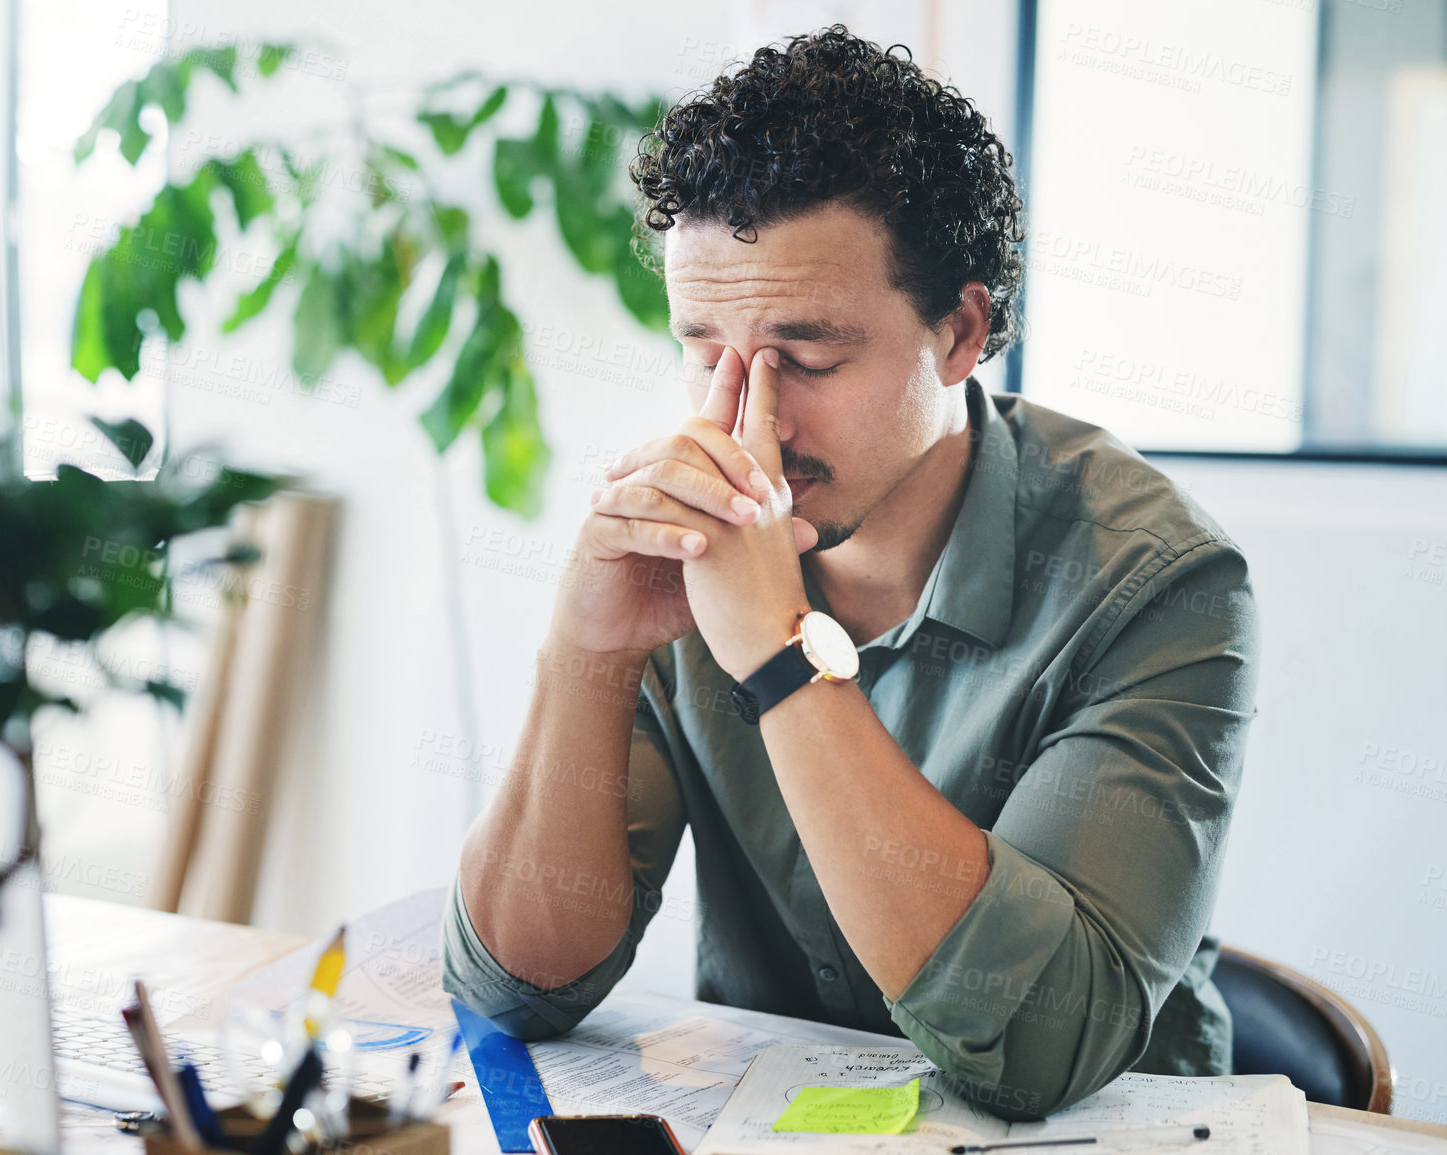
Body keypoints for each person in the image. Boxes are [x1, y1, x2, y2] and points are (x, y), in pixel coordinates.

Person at [440, 26, 1258, 1120]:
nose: (746, 415)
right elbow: (515, 991)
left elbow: (1036, 1048)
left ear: (961, 333)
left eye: (808, 359)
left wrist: (781, 658)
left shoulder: (1160, 583)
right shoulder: (686, 538)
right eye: (702, 349)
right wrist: (585, 653)